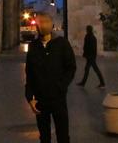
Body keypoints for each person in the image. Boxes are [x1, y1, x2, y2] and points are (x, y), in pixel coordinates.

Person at [25, 12, 76, 143]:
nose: (41, 25)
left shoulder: (62, 44)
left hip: (58, 97)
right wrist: (30, 97)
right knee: (44, 136)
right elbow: (29, 73)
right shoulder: (33, 46)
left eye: (45, 22)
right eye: (39, 22)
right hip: (40, 99)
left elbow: (71, 67)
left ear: (51, 24)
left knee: (63, 134)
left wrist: (61, 86)